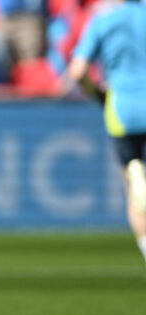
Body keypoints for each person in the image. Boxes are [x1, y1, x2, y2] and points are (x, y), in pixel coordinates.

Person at [65, 0, 146, 263]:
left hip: (123, 112)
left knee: (135, 192)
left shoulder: (103, 20)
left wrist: (97, 94)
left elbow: (77, 71)